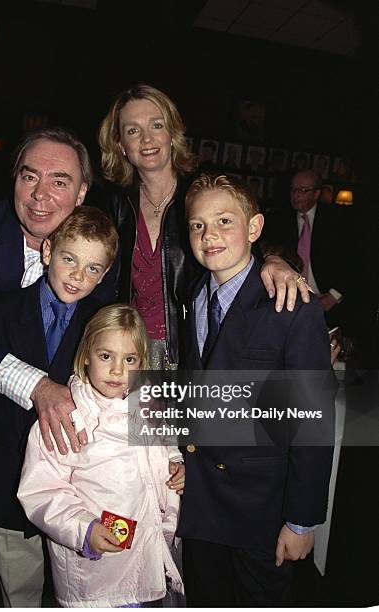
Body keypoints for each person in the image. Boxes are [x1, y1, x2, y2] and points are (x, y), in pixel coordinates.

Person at [177, 174, 334, 606]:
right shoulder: (191, 296)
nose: (209, 235)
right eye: (197, 225)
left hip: (260, 509)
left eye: (224, 221)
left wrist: (302, 521)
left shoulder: (292, 307)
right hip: (201, 503)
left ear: (254, 228)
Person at [0, 207, 118, 606]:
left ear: (104, 274)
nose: (78, 276)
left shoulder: (98, 323)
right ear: (48, 251)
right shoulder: (0, 309)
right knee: (17, 582)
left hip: (65, 476)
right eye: (69, 259)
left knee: (54, 581)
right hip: (5, 466)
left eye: (92, 268)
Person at [97, 84, 310, 370]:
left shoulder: (203, 192)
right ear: (120, 144)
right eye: (133, 130)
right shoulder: (112, 203)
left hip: (191, 346)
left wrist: (273, 259)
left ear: (172, 132)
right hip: (129, 348)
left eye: (156, 125)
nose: (147, 138)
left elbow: (244, 239)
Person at [17, 304, 184, 607]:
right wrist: (84, 528)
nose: (118, 370)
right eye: (106, 356)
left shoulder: (149, 410)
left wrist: (177, 468)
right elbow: (40, 491)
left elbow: (166, 456)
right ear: (86, 356)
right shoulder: (65, 420)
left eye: (129, 359)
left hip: (152, 567)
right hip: (96, 579)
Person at [264, 170, 350, 329]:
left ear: (317, 194)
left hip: (329, 302)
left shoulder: (337, 220)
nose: (295, 195)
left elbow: (353, 261)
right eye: (293, 189)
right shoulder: (277, 219)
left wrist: (334, 295)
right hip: (288, 302)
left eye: (303, 190)